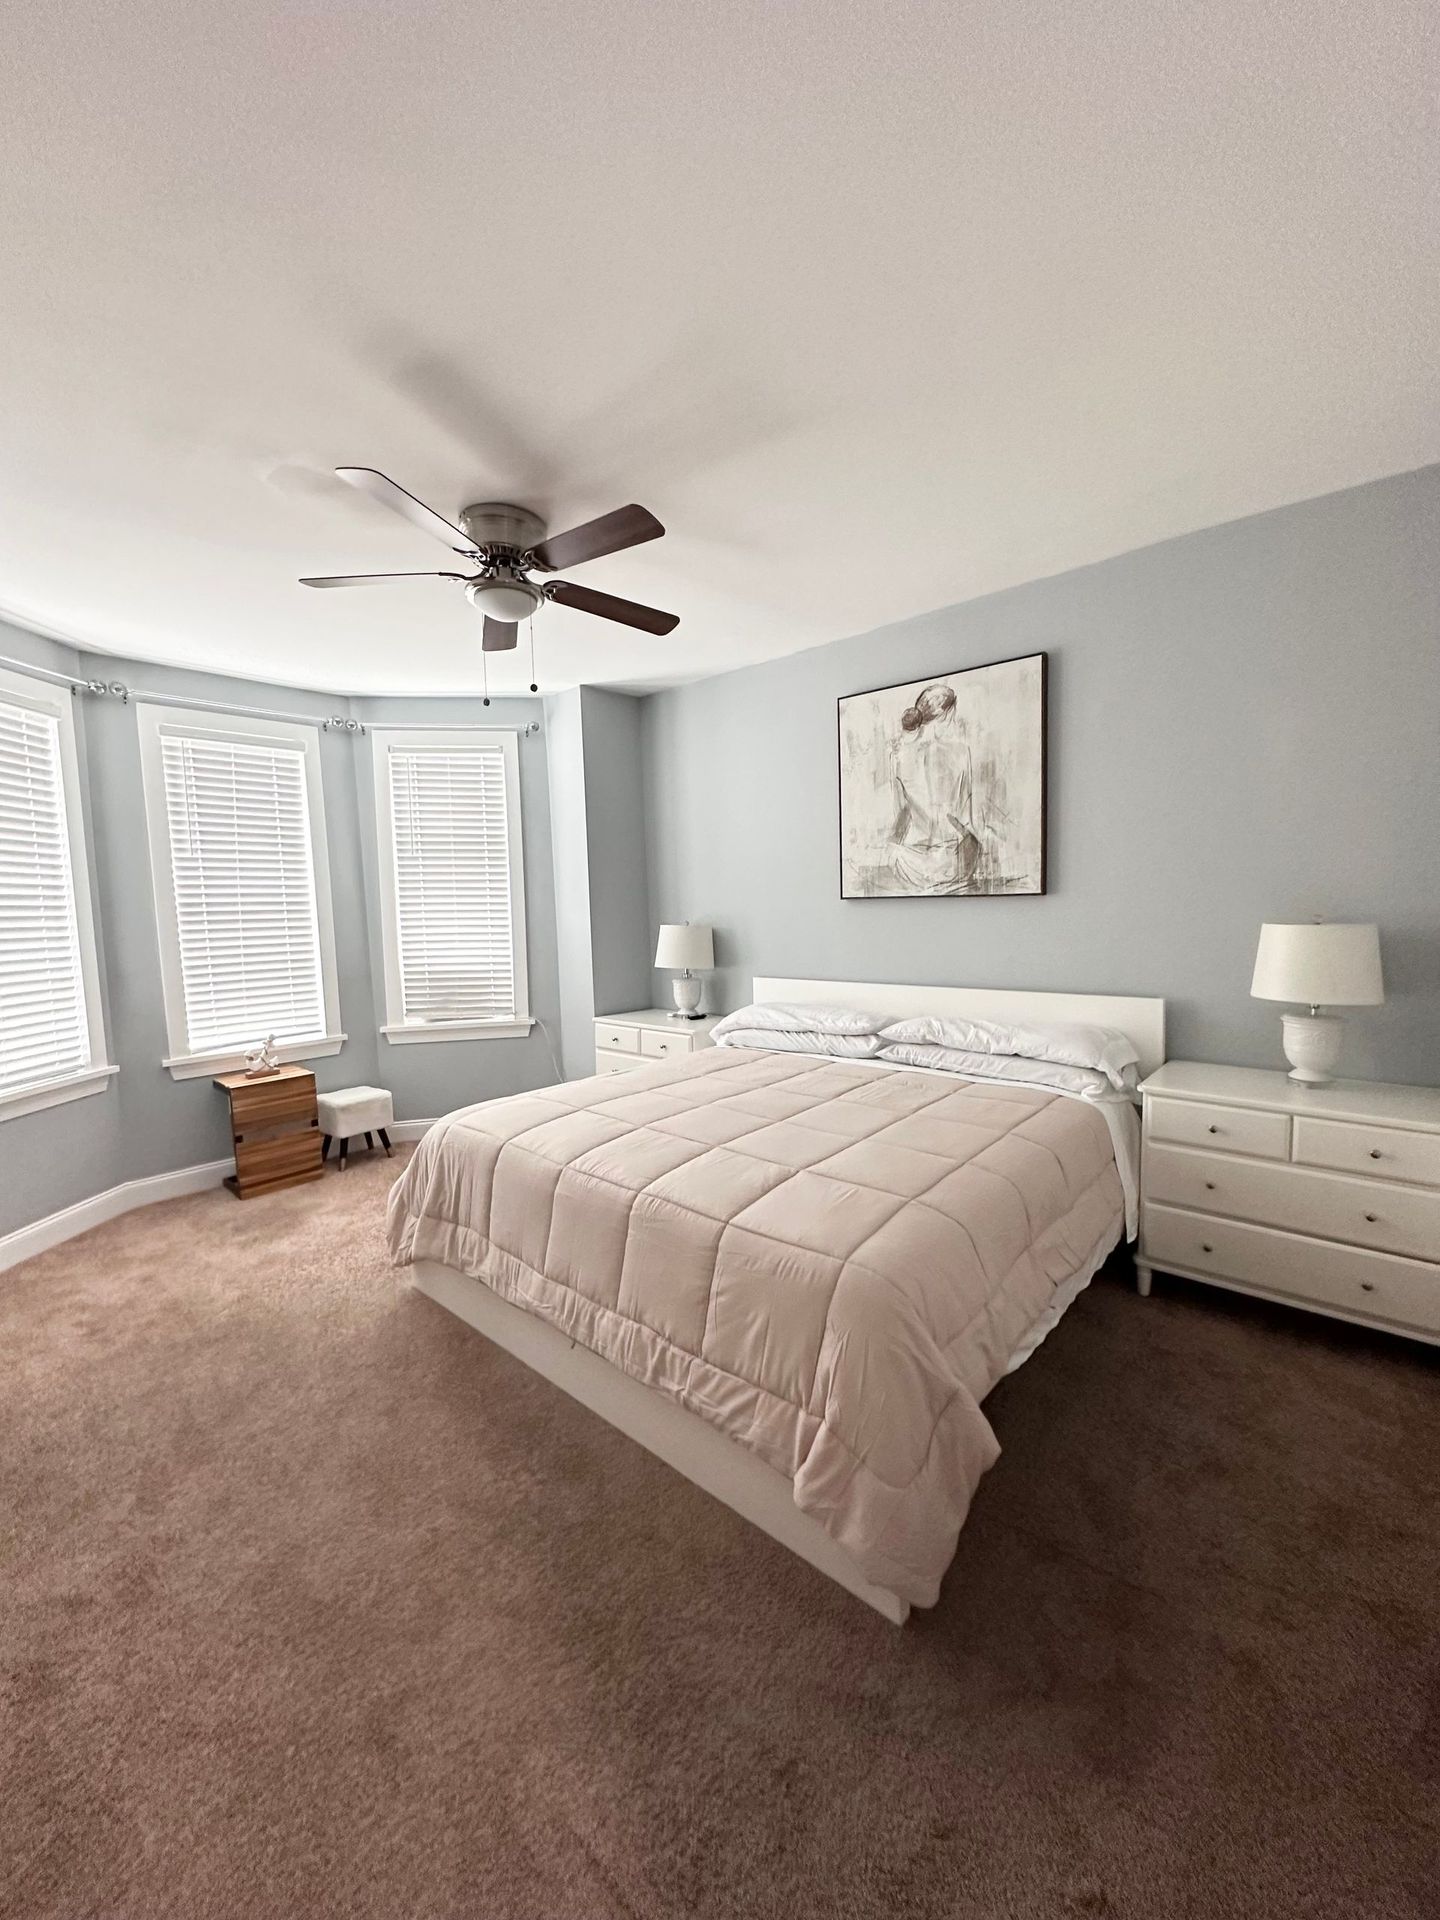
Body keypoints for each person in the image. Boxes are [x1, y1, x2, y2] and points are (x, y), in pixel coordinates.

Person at [887, 683, 984, 893]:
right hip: (952, 863)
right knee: (972, 844)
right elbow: (965, 818)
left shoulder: (897, 757)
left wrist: (893, 852)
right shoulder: (961, 752)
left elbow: (901, 816)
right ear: (945, 715)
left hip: (909, 865)